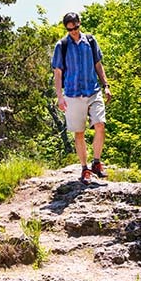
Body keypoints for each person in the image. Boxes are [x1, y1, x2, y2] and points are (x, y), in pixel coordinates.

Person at [51, 11, 111, 183]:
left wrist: (106, 85)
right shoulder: (61, 45)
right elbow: (58, 72)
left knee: (100, 124)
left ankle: (97, 162)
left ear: (79, 23)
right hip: (72, 93)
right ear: (66, 28)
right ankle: (85, 168)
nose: (74, 31)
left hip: (93, 90)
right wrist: (59, 96)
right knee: (79, 132)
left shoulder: (90, 41)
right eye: (70, 29)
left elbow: (98, 64)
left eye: (76, 27)